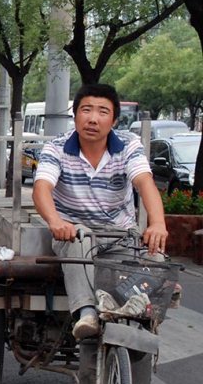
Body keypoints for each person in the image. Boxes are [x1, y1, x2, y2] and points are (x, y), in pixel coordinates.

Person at [33, 83, 168, 339]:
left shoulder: (128, 145)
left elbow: (144, 183)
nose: (93, 118)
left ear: (114, 120)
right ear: (75, 116)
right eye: (86, 110)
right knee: (78, 236)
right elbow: (42, 188)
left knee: (153, 256)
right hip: (74, 235)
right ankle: (86, 314)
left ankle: (139, 307)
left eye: (103, 112)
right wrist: (55, 222)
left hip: (120, 234)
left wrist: (158, 223)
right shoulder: (57, 148)